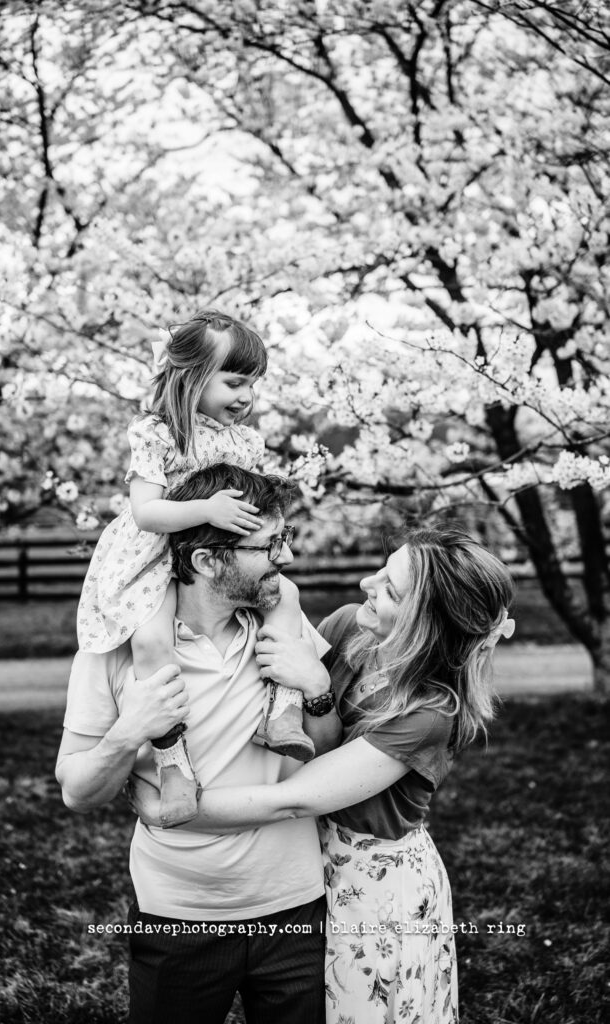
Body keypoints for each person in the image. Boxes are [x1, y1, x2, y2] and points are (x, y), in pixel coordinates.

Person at [130, 526, 515, 1024]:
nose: (365, 583)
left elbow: (297, 798)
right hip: (308, 865)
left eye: (390, 590)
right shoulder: (351, 628)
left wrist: (169, 807)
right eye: (383, 567)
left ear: (426, 622)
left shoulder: (430, 712)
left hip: (372, 885)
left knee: (360, 1007)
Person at [56, 464, 336, 1024]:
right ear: (207, 561)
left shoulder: (286, 627)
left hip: (295, 909)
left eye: (284, 539)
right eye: (267, 545)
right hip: (177, 918)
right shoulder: (113, 654)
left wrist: (318, 690)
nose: (285, 557)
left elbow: (326, 755)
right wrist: (129, 731)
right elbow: (78, 793)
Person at [76, 309, 315, 828]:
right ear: (191, 377)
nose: (246, 396)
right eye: (234, 382)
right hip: (158, 556)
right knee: (151, 641)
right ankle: (172, 757)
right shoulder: (160, 434)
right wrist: (205, 511)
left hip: (214, 555)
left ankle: (283, 709)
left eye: (253, 384)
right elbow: (147, 511)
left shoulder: (245, 441)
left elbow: (255, 507)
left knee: (288, 600)